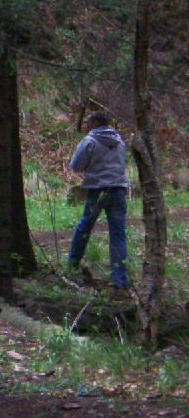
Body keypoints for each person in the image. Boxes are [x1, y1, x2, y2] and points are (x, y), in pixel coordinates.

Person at [67, 111, 128, 290]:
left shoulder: (90, 141)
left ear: (94, 122)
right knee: (118, 235)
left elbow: (75, 166)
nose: (85, 125)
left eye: (87, 122)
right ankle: (120, 281)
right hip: (118, 189)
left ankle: (72, 265)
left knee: (85, 226)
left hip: (98, 190)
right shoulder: (119, 140)